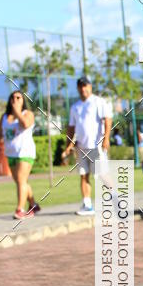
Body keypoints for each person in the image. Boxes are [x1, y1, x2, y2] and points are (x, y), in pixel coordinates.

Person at [61, 76, 113, 215]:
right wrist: (68, 146)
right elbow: (71, 128)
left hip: (96, 146)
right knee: (84, 175)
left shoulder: (98, 102)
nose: (83, 88)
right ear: (78, 88)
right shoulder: (75, 107)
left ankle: (116, 199)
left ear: (90, 87)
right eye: (81, 86)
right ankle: (87, 204)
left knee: (102, 174)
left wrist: (106, 138)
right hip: (81, 147)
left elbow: (107, 119)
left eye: (86, 85)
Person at [0, 90, 40, 219]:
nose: (15, 100)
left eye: (18, 97)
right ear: (10, 101)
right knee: (21, 181)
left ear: (23, 101)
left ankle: (20, 209)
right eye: (13, 98)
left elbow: (25, 124)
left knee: (21, 179)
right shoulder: (4, 117)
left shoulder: (28, 114)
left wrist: (17, 111)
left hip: (25, 152)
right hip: (11, 154)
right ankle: (33, 204)